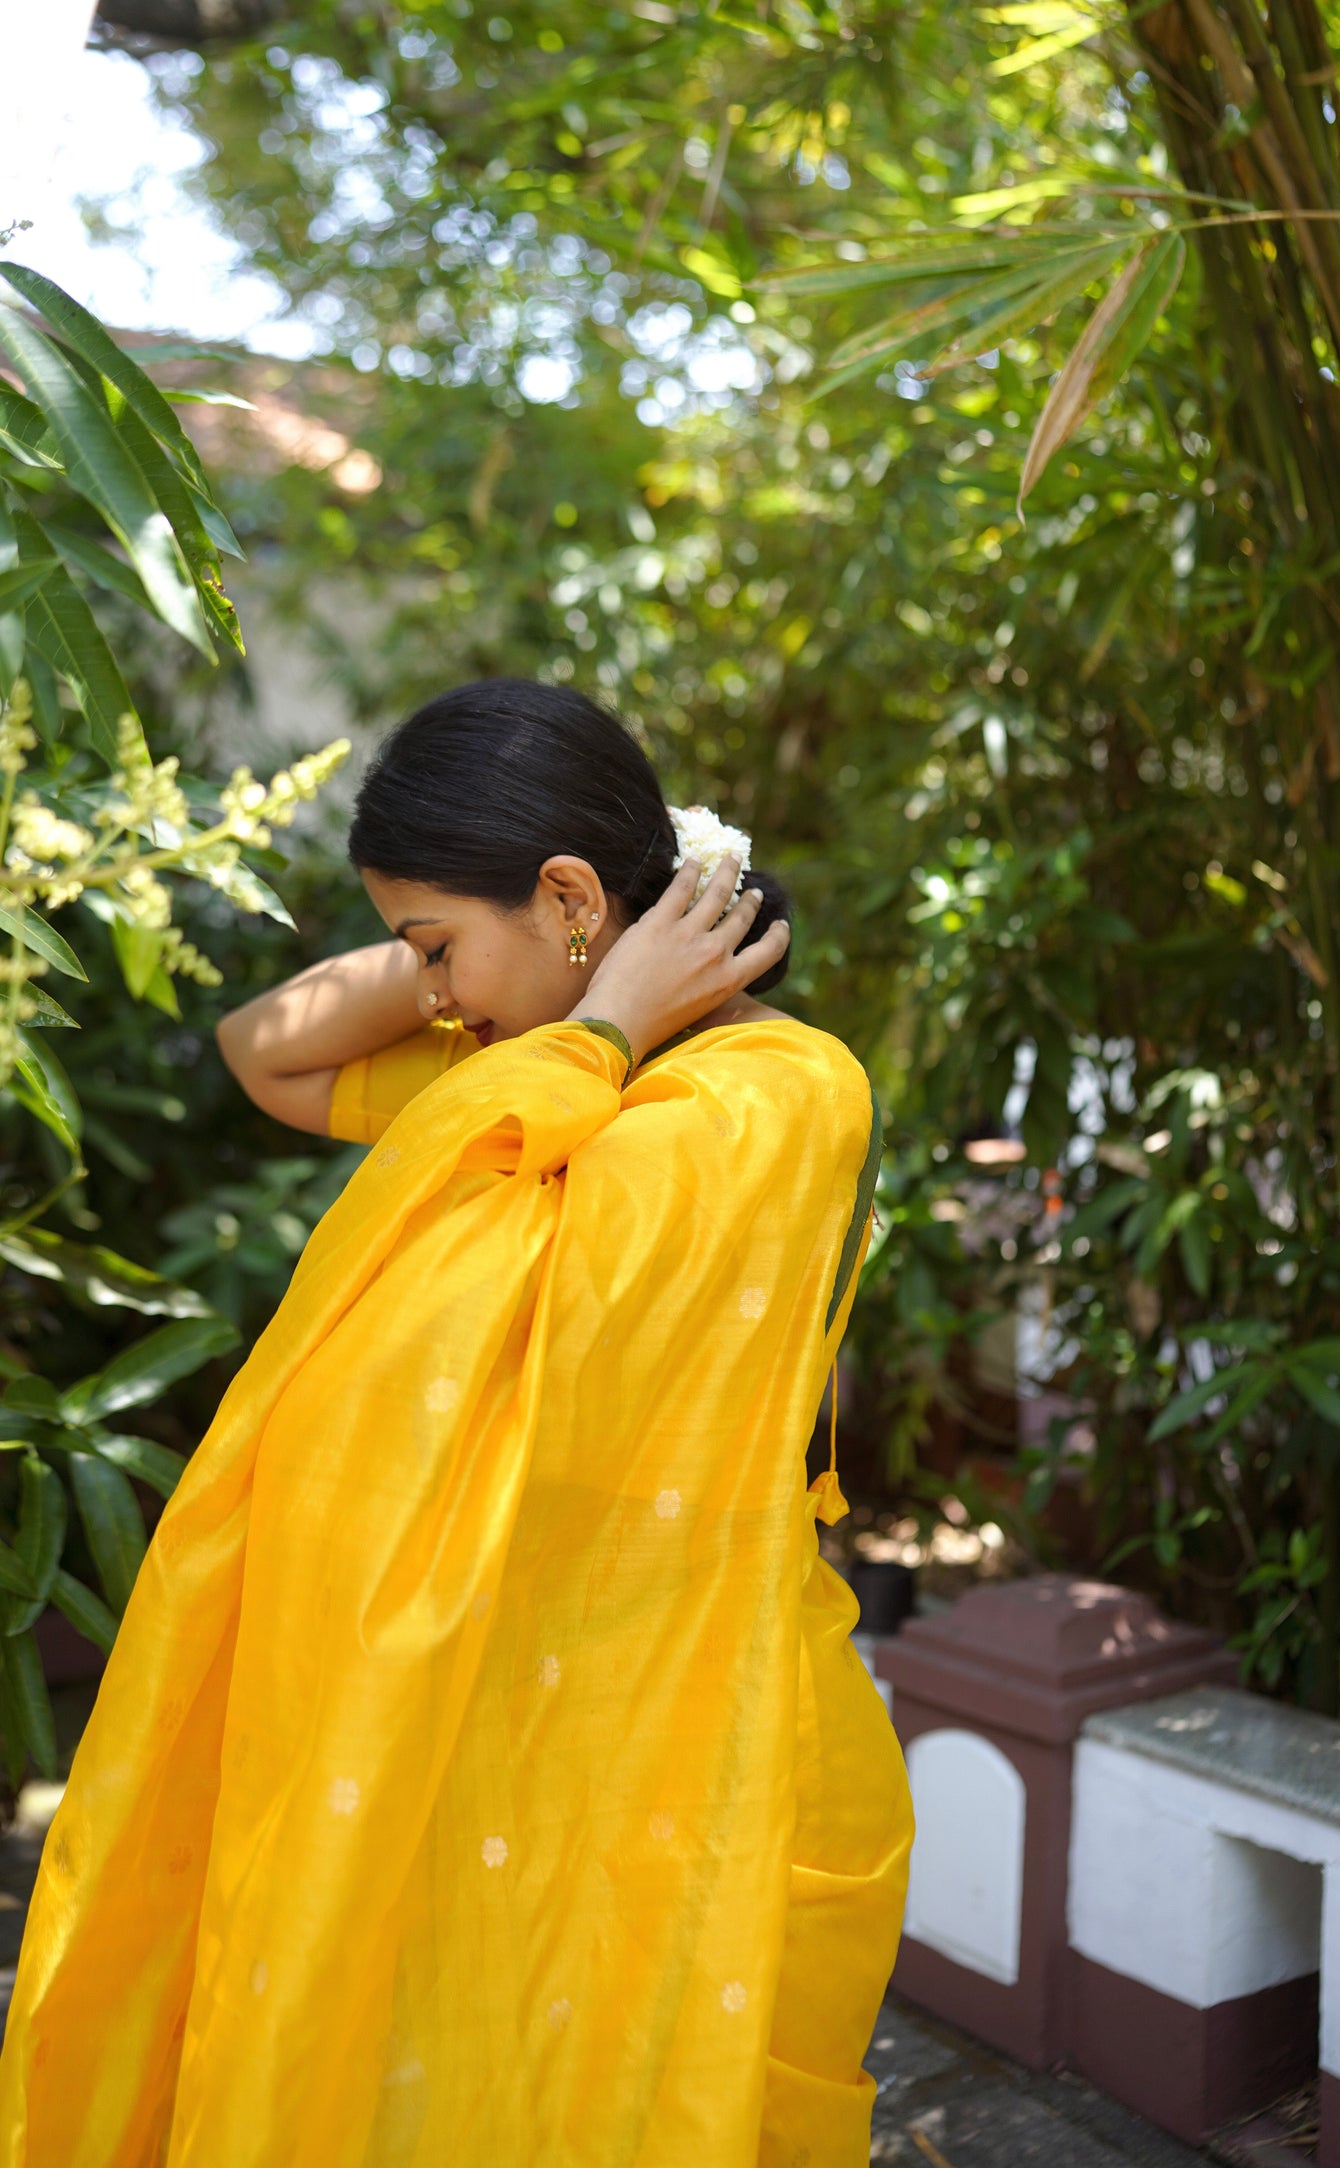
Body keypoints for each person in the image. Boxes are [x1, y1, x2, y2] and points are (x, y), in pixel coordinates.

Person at [0, 679, 912, 2167]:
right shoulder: (546, 1068)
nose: (435, 997)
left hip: (663, 1712)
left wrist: (590, 992)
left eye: (434, 948)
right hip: (457, 1694)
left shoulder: (773, 1091)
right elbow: (266, 1047)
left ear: (564, 896)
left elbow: (503, 1299)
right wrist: (563, 974)